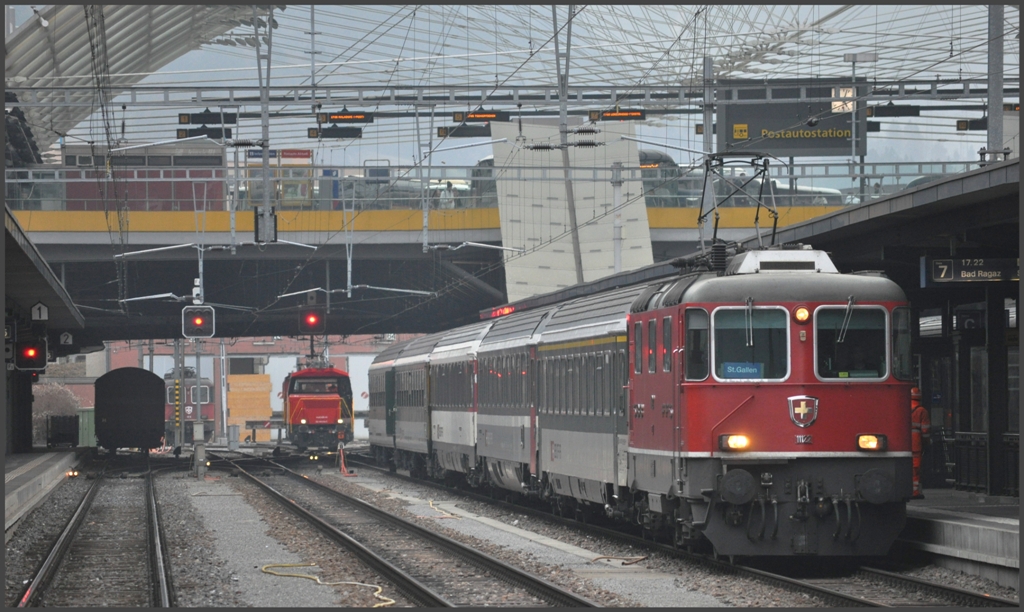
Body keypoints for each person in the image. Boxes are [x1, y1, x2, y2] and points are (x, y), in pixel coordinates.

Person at [910, 386, 931, 500]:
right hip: (916, 443)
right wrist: (926, 443)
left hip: (903, 442)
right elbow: (925, 431)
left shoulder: (902, 407)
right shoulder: (922, 411)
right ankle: (915, 492)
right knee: (915, 469)